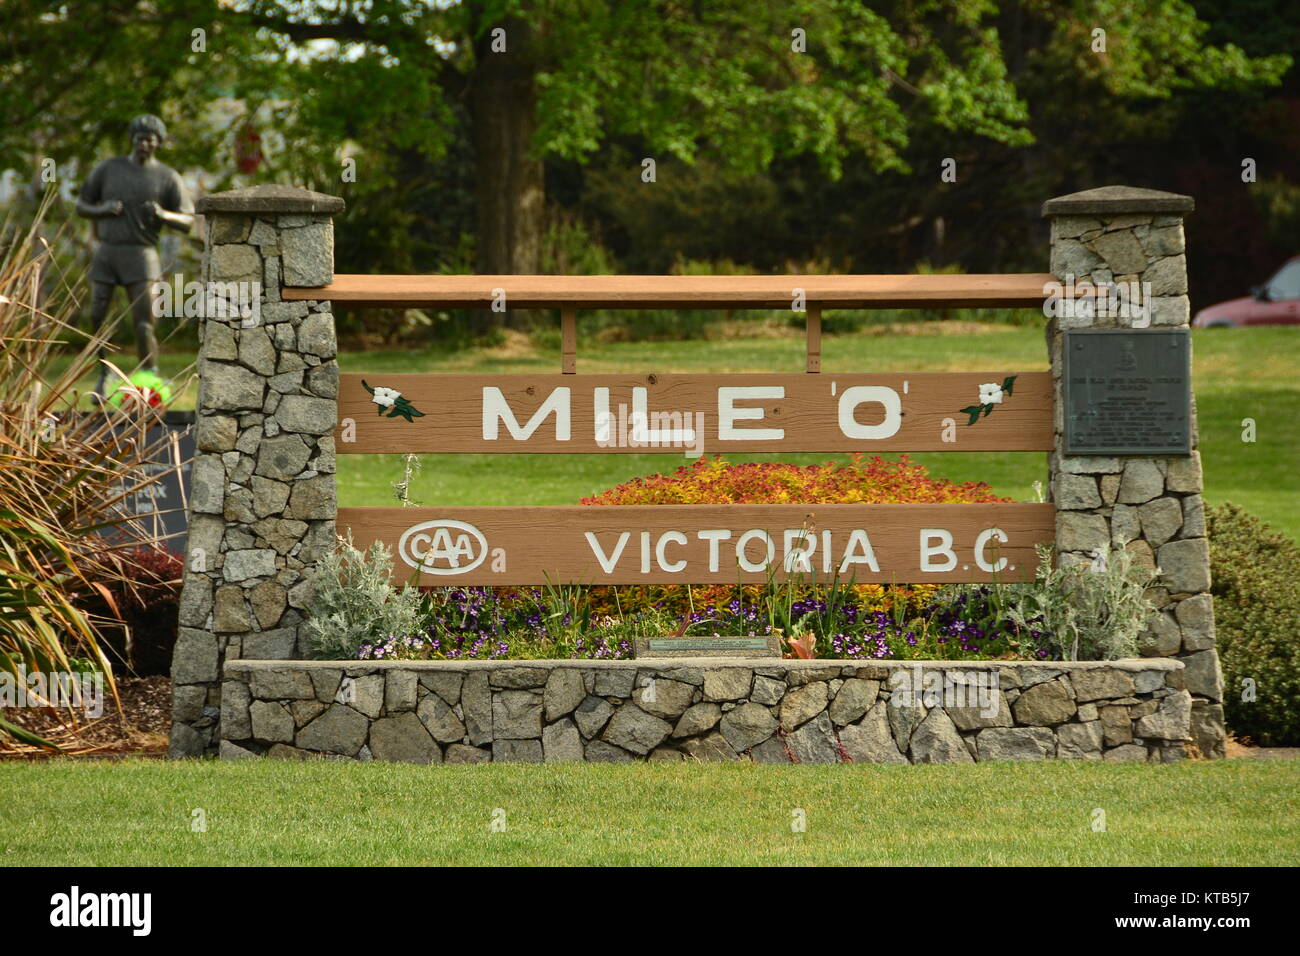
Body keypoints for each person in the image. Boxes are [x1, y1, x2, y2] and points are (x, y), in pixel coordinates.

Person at [76, 114, 194, 399]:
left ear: (159, 144)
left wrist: (164, 214)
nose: (145, 144)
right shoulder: (108, 169)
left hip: (142, 255)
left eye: (152, 140)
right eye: (141, 139)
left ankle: (148, 377)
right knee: (98, 317)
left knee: (144, 321)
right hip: (108, 252)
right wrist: (104, 209)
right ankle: (103, 376)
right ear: (133, 140)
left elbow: (188, 221)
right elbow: (82, 205)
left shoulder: (167, 177)